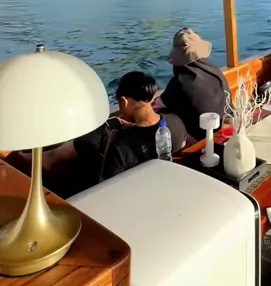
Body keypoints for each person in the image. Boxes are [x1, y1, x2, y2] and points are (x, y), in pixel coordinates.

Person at [11, 71, 187, 197]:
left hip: (118, 197)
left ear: (124, 101)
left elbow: (108, 191)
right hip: (159, 187)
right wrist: (134, 127)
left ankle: (20, 157)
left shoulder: (120, 145)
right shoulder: (175, 122)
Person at [154, 28, 230, 141]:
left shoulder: (179, 84)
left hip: (203, 140)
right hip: (226, 129)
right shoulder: (215, 71)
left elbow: (158, 105)